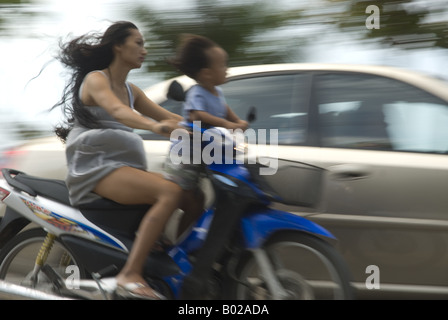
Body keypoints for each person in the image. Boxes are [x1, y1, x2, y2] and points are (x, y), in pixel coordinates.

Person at [53, 21, 201, 299]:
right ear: (118, 46)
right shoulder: (97, 79)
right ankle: (130, 275)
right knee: (170, 190)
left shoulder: (133, 90)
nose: (144, 49)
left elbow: (170, 118)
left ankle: (170, 263)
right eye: (139, 43)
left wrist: (214, 131)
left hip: (120, 167)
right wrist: (154, 127)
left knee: (192, 197)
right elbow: (118, 111)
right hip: (95, 168)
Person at [165, 34, 249, 298]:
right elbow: (197, 116)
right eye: (222, 65)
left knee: (198, 202)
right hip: (187, 153)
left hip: (207, 152)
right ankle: (167, 246)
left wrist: (239, 122)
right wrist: (228, 125)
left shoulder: (217, 90)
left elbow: (226, 111)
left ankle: (182, 250)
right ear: (206, 73)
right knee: (180, 196)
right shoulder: (197, 93)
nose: (227, 69)